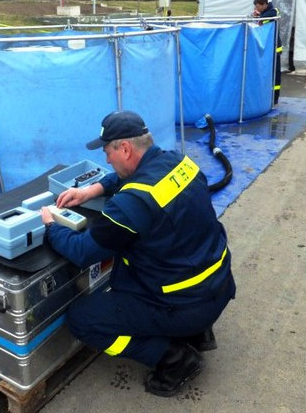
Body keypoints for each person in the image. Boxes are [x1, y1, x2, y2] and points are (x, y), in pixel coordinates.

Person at [40, 110, 236, 397]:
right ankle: (197, 331)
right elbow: (139, 177)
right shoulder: (180, 163)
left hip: (182, 304)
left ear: (125, 149)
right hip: (216, 286)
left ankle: (174, 358)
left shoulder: (132, 203)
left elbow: (82, 252)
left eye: (108, 152)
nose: (106, 160)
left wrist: (51, 225)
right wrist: (91, 190)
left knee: (82, 319)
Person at [252, 0, 283, 105]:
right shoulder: (265, 12)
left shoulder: (274, 11)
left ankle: (275, 97)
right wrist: (258, 15)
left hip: (275, 48)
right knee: (266, 72)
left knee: (275, 74)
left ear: (264, 4)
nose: (256, 9)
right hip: (267, 48)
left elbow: (264, 20)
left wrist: (259, 17)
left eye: (258, 7)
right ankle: (266, 95)